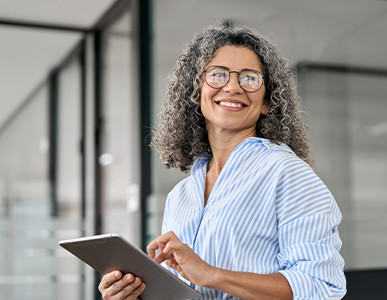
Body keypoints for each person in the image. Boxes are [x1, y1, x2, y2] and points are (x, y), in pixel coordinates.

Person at [98, 23, 346, 300]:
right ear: (196, 92)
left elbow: (321, 286)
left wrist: (212, 274)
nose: (232, 87)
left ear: (267, 102)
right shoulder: (180, 197)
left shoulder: (287, 173)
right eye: (218, 75)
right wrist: (134, 294)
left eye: (250, 78)